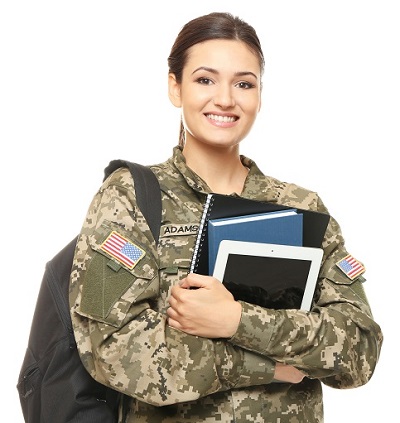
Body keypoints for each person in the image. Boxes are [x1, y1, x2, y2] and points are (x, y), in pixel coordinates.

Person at [69, 11, 383, 422]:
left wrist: (237, 319)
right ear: (174, 87)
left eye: (243, 83)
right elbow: (111, 349)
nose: (225, 99)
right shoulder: (130, 196)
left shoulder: (301, 207)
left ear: (259, 95)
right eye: (205, 79)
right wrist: (269, 367)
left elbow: (359, 351)